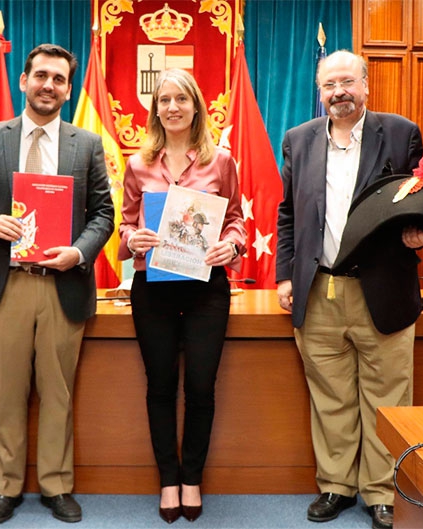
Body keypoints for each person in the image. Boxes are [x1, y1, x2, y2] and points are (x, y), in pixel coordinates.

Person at [0, 43, 114, 525]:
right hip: (7, 283)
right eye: (40, 75)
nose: (48, 85)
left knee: (58, 392)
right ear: (23, 81)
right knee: (8, 391)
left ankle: (56, 485)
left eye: (59, 79)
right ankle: (6, 487)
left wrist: (80, 251)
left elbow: (104, 213)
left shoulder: (85, 144)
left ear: (68, 89)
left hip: (63, 283)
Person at [275, 50, 423, 529]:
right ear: (320, 93)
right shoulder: (297, 140)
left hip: (380, 289)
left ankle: (383, 492)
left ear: (365, 84)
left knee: (386, 398)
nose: (338, 92)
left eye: (347, 82)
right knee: (331, 396)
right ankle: (337, 486)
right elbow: (287, 215)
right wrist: (285, 274)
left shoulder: (401, 132)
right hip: (318, 289)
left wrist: (420, 227)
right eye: (329, 85)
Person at [118, 68, 246, 524]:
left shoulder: (222, 161)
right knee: (160, 387)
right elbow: (126, 225)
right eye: (164, 100)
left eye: (181, 99)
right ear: (155, 109)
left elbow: (236, 220)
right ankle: (167, 480)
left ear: (197, 106)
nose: (172, 107)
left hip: (206, 289)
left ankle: (192, 478)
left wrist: (232, 244)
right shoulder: (138, 164)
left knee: (200, 387)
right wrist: (132, 240)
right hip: (152, 288)